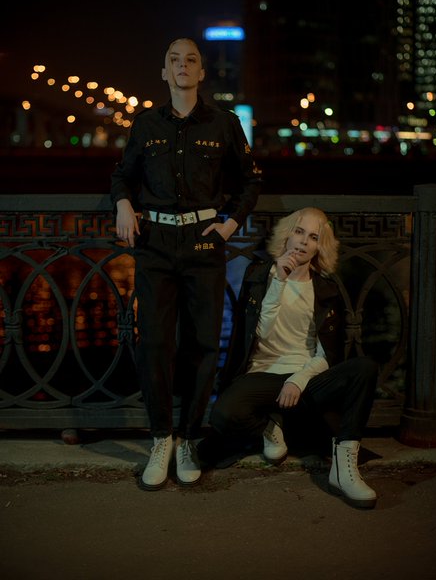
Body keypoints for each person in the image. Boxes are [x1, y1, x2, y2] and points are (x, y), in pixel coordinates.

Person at [110, 37, 262, 491]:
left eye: (190, 60)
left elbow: (250, 181)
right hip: (155, 245)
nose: (182, 66)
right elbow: (123, 175)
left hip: (203, 246)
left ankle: (190, 439)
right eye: (174, 60)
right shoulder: (145, 123)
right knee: (155, 344)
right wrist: (122, 202)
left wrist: (230, 225)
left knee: (203, 345)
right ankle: (162, 438)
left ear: (201, 72)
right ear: (164, 72)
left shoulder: (224, 123)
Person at [202, 207, 379, 509]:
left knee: (365, 368)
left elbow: (326, 354)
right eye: (299, 232)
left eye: (313, 237)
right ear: (286, 235)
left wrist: (299, 379)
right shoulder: (259, 275)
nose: (304, 241)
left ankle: (344, 467)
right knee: (224, 414)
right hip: (262, 376)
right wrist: (280, 281)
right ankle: (270, 425)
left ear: (319, 246)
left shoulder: (325, 288)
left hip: (304, 380)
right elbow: (262, 333)